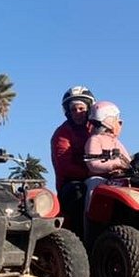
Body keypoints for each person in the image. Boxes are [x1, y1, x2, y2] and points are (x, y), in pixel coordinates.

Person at [50, 85, 95, 235]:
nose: (77, 113)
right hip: (72, 183)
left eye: (81, 109)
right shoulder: (62, 134)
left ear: (89, 109)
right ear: (68, 112)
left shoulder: (97, 129)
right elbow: (65, 167)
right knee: (78, 194)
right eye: (73, 109)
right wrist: (89, 172)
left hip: (97, 176)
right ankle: (81, 238)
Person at [83, 101, 131, 216]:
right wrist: (114, 165)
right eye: (116, 119)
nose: (119, 123)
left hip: (117, 178)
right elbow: (93, 165)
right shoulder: (95, 139)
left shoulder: (116, 142)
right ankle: (91, 219)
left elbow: (128, 161)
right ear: (107, 120)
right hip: (100, 178)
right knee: (94, 185)